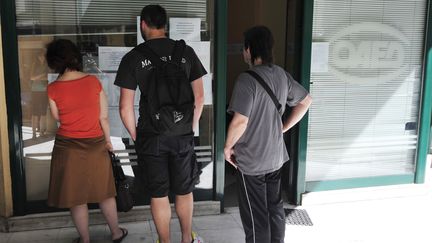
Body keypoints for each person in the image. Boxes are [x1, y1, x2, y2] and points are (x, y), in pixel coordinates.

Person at [115, 5, 205, 243]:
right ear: (166, 24)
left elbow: (125, 108)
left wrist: (137, 137)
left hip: (151, 136)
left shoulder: (133, 57)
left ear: (143, 24)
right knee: (185, 190)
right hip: (183, 134)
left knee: (159, 193)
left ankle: (164, 241)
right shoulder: (186, 52)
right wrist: (189, 128)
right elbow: (200, 98)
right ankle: (187, 238)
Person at [224, 26, 312, 243]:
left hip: (252, 160)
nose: (244, 53)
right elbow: (306, 101)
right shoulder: (281, 74)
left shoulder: (246, 80)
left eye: (244, 48)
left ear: (249, 50)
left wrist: (227, 148)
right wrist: (283, 128)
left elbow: (240, 121)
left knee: (256, 216)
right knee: (275, 209)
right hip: (275, 157)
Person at [46, 39, 128, 243]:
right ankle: (116, 233)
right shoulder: (93, 82)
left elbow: (57, 117)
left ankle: (85, 239)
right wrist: (108, 141)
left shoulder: (53, 88)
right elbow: (103, 117)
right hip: (95, 144)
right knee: (105, 193)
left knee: (76, 198)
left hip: (67, 147)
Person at [30, 49, 49, 138]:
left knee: (43, 112)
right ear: (37, 57)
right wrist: (42, 76)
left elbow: (49, 78)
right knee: (35, 112)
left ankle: (42, 132)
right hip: (35, 91)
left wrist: (39, 78)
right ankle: (34, 133)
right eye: (40, 56)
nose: (42, 58)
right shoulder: (34, 65)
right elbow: (32, 77)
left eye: (43, 56)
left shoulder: (47, 65)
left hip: (45, 90)